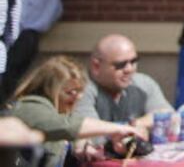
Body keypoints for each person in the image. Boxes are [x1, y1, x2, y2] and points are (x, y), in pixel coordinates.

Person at [2, 57, 141, 167]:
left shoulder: (55, 111)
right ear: (50, 89)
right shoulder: (31, 107)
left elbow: (62, 136)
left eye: (80, 91)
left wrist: (82, 148)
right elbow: (66, 126)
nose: (77, 97)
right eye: (70, 92)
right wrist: (118, 128)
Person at [70, 35, 171, 135]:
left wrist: (137, 124)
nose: (129, 69)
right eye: (120, 65)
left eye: (133, 62)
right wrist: (128, 130)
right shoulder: (80, 90)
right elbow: (88, 133)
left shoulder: (143, 83)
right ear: (96, 66)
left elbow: (169, 116)